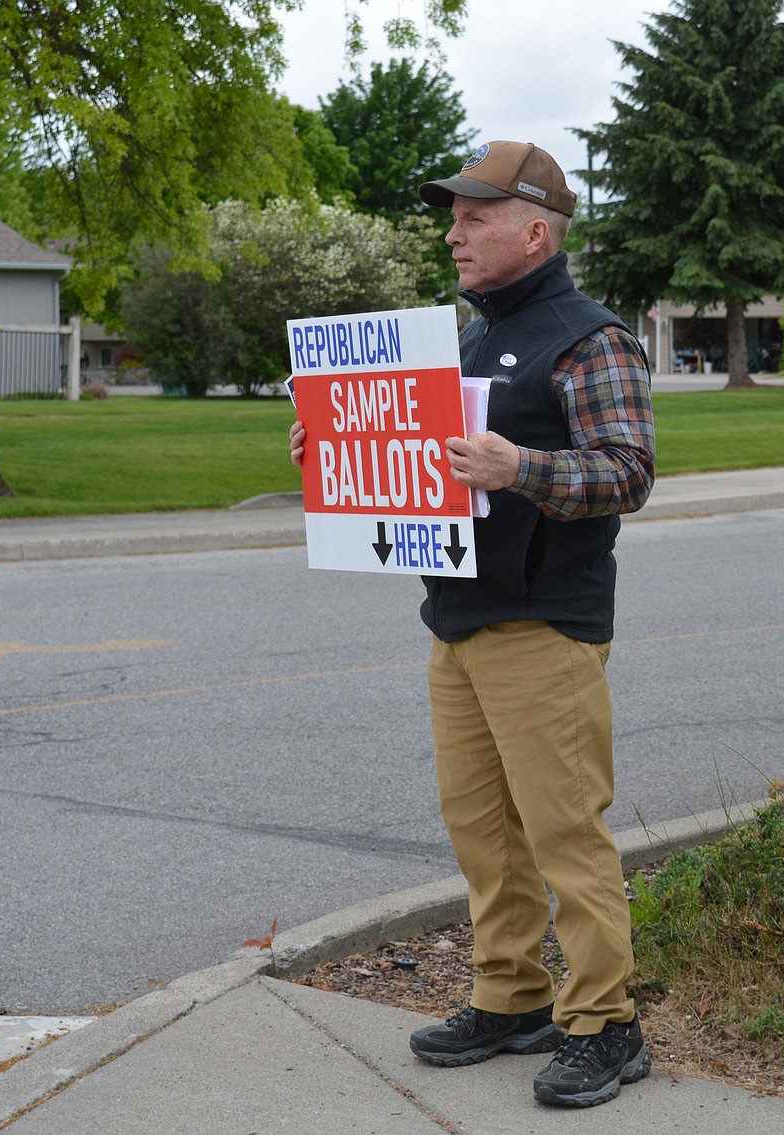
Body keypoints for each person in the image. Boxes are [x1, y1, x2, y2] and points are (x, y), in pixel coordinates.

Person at [289, 140, 656, 1109]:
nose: (453, 233)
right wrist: (336, 451)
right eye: (453, 216)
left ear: (535, 230)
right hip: (457, 622)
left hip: (544, 625)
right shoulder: (462, 344)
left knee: (563, 831)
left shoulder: (590, 339)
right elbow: (425, 479)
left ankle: (607, 1023)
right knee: (483, 830)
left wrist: (520, 468)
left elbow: (628, 471)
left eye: (474, 217)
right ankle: (512, 996)